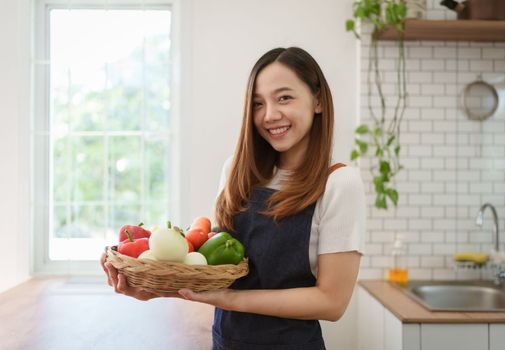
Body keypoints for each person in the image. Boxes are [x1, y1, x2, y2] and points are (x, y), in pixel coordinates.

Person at [101, 46, 365, 350]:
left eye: (284, 98)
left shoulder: (339, 184)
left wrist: (230, 300)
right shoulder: (237, 170)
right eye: (257, 103)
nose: (269, 115)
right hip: (225, 341)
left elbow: (331, 302)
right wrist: (154, 286)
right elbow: (216, 268)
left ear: (318, 100)